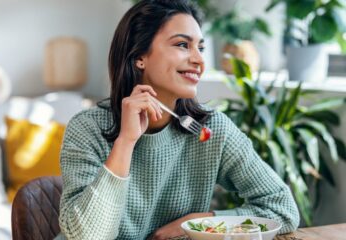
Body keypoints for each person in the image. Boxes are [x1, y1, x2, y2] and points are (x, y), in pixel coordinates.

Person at [55, 0, 300, 239]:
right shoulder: (87, 129)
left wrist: (197, 224)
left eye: (200, 48)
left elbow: (283, 209)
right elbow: (87, 236)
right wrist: (126, 142)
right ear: (140, 56)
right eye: (183, 44)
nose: (199, 60)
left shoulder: (211, 129)